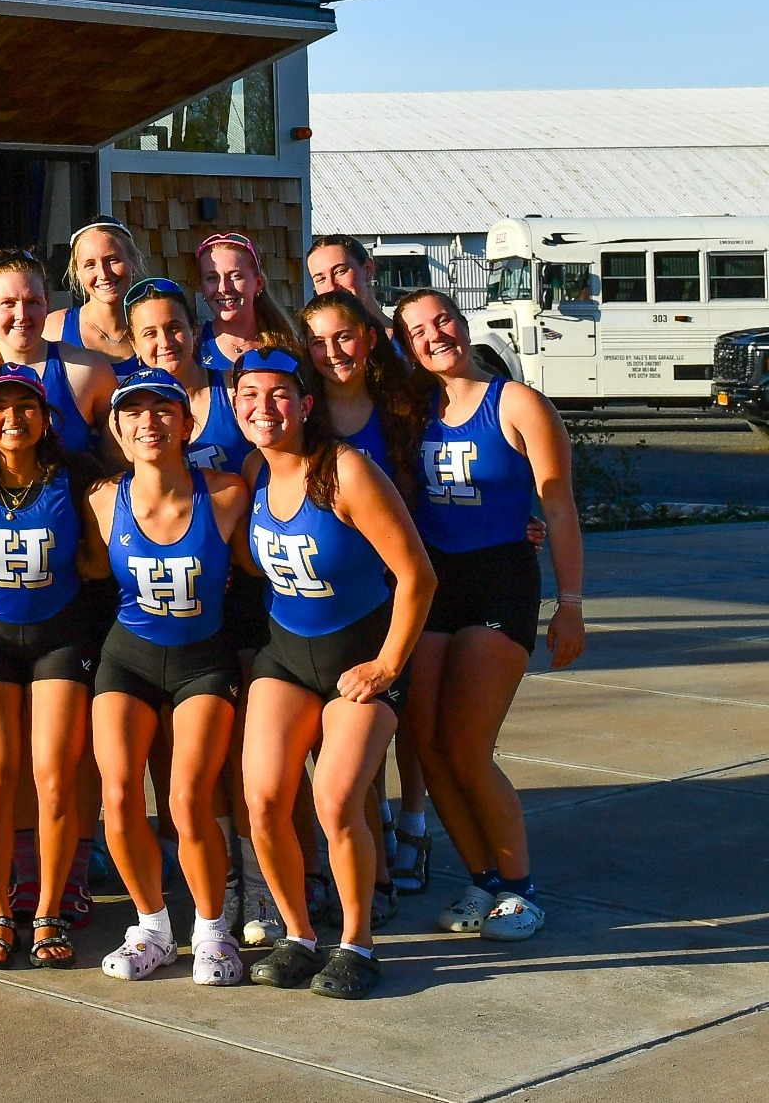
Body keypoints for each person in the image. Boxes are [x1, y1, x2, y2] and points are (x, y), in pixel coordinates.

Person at [230, 348, 434, 1000]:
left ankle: (356, 942)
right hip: (287, 654)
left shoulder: (346, 469)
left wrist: (388, 663)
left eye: (279, 394)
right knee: (261, 799)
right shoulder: (255, 468)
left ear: (306, 404)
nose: (264, 408)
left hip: (363, 656)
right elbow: (257, 559)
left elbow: (416, 576)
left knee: (337, 799)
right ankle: (298, 934)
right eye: (249, 395)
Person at [394, 289, 585, 944]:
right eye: (416, 330)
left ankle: (520, 887)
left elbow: (558, 507)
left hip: (499, 581)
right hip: (432, 585)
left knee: (469, 746)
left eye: (441, 319)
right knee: (428, 744)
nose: (433, 335)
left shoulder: (516, 402)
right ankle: (480, 876)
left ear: (463, 320)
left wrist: (572, 603)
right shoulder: (412, 410)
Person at [86, 368, 252, 985]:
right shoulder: (104, 501)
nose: (149, 423)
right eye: (135, 413)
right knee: (120, 796)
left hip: (202, 662)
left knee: (188, 799)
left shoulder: (229, 494)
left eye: (163, 412)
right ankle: (152, 926)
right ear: (118, 429)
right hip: (126, 657)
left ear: (187, 425)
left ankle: (212, 932)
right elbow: (82, 569)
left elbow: (266, 558)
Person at [0, 363, 106, 970]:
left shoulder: (78, 474)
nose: (13, 418)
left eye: (26, 405)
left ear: (45, 415)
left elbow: (117, 529)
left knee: (55, 774)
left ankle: (49, 909)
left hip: (60, 633)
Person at [302, 289, 437, 905]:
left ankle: (379, 859)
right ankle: (356, 858)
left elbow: (455, 475)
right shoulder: (303, 416)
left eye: (345, 337)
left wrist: (524, 518)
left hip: (397, 589)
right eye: (319, 341)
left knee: (373, 737)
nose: (333, 353)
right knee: (334, 750)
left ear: (373, 337)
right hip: (328, 591)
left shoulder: (403, 408)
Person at [0, 249, 117, 461]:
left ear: (47, 303)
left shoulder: (87, 370)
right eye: (8, 303)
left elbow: (120, 460)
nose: (22, 315)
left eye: (33, 302)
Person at [196, 232, 302, 372]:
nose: (223, 288)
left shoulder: (287, 347)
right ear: (201, 287)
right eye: (212, 278)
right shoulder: (192, 345)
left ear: (258, 283)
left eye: (235, 276)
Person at [46, 217, 143, 368]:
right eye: (90, 265)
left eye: (112, 260)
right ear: (77, 272)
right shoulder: (53, 329)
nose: (103, 274)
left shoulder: (155, 329)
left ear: (133, 262)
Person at [305, 235, 392, 324]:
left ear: (368, 269)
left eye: (340, 271)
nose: (331, 287)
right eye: (321, 279)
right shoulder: (308, 337)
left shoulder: (404, 336)